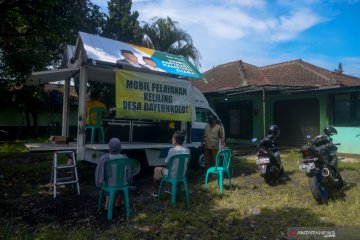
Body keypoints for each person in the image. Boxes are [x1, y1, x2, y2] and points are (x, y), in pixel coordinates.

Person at [95, 138, 133, 210]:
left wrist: (98, 183)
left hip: (109, 184)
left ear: (109, 146)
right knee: (123, 184)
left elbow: (99, 173)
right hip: (123, 184)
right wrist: (129, 181)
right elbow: (129, 174)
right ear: (120, 147)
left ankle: (107, 203)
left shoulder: (104, 158)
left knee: (107, 182)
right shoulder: (125, 157)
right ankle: (118, 201)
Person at [152, 130, 190, 197]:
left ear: (175, 140)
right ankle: (171, 189)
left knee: (156, 169)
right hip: (182, 175)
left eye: (173, 138)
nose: (172, 139)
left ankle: (155, 192)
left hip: (172, 175)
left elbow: (166, 163)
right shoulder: (187, 150)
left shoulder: (171, 150)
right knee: (169, 170)